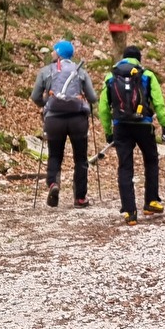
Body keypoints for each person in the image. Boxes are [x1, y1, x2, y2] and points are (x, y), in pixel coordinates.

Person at [98, 44, 165, 225]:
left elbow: (103, 108)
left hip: (121, 127)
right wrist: (164, 125)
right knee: (151, 160)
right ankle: (151, 202)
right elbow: (159, 102)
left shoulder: (111, 76)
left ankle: (130, 212)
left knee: (125, 167)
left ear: (123, 57)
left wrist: (108, 132)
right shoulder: (146, 75)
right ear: (139, 59)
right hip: (143, 125)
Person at [31, 40, 98, 208]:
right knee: (81, 159)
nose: (52, 53)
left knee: (55, 155)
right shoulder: (80, 71)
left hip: (54, 119)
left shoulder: (46, 71)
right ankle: (80, 198)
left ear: (59, 53)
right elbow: (92, 97)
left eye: (54, 50)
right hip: (78, 120)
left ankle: (53, 183)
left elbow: (35, 96)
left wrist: (45, 104)